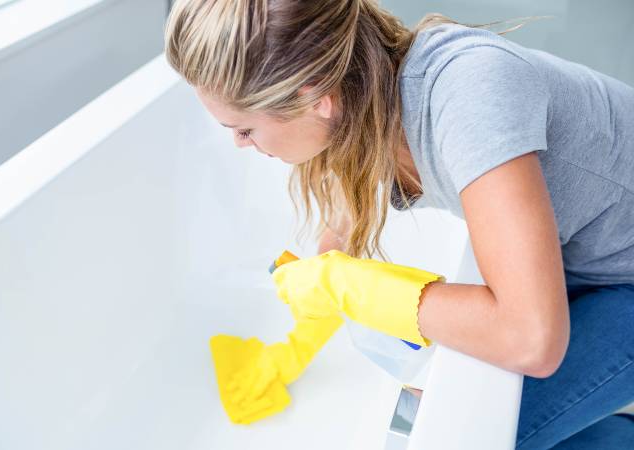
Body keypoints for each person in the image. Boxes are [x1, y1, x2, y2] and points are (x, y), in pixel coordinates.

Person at [164, 0, 634, 447]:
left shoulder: (468, 94)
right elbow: (340, 233)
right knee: (457, 406)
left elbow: (530, 338)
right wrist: (301, 332)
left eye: (245, 129)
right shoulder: (367, 101)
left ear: (314, 96)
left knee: (465, 432)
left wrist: (346, 284)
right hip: (589, 251)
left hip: (624, 278)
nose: (242, 145)